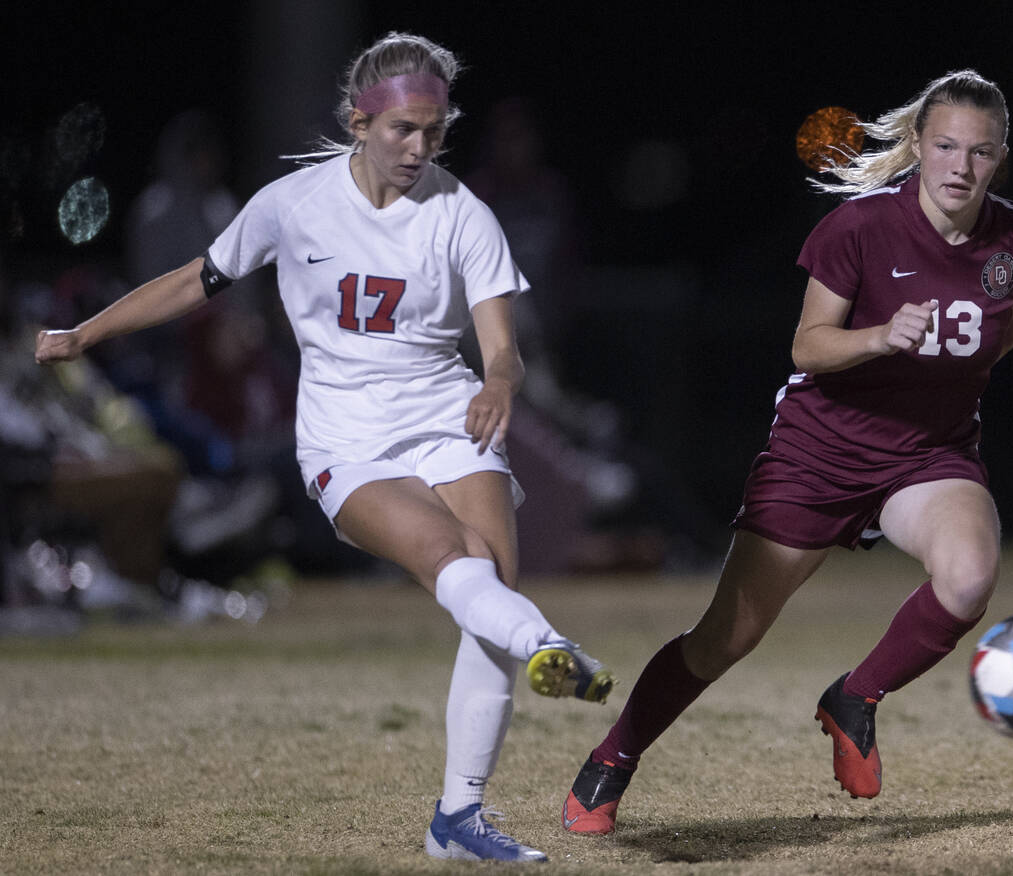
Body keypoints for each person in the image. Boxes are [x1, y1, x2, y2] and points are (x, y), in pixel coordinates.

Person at [35, 31, 615, 864]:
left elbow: (502, 345)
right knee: (462, 565)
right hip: (345, 438)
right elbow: (193, 280)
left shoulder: (465, 215)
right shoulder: (293, 203)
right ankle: (548, 649)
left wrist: (497, 382)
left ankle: (459, 818)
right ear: (359, 120)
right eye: (402, 130)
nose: (419, 148)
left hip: (451, 417)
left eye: (434, 131)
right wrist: (85, 333)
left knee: (489, 588)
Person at [561, 69, 1013, 835]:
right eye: (947, 146)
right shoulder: (858, 227)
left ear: (1001, 158)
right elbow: (809, 345)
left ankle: (854, 696)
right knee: (729, 635)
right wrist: (881, 337)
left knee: (969, 579)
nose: (961, 166)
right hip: (820, 450)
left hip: (928, 455)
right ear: (918, 146)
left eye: (980, 152)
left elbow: (1007, 334)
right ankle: (613, 759)